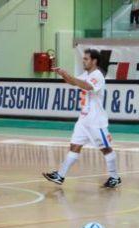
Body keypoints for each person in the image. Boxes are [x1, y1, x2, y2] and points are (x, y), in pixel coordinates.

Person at [42, 49, 121, 188]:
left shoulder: (98, 75)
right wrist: (62, 74)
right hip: (84, 120)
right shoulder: (86, 74)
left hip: (96, 121)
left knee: (106, 149)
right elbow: (74, 82)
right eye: (83, 58)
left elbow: (86, 86)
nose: (83, 61)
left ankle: (115, 177)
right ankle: (60, 175)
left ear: (94, 61)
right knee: (74, 147)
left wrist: (67, 75)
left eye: (86, 59)